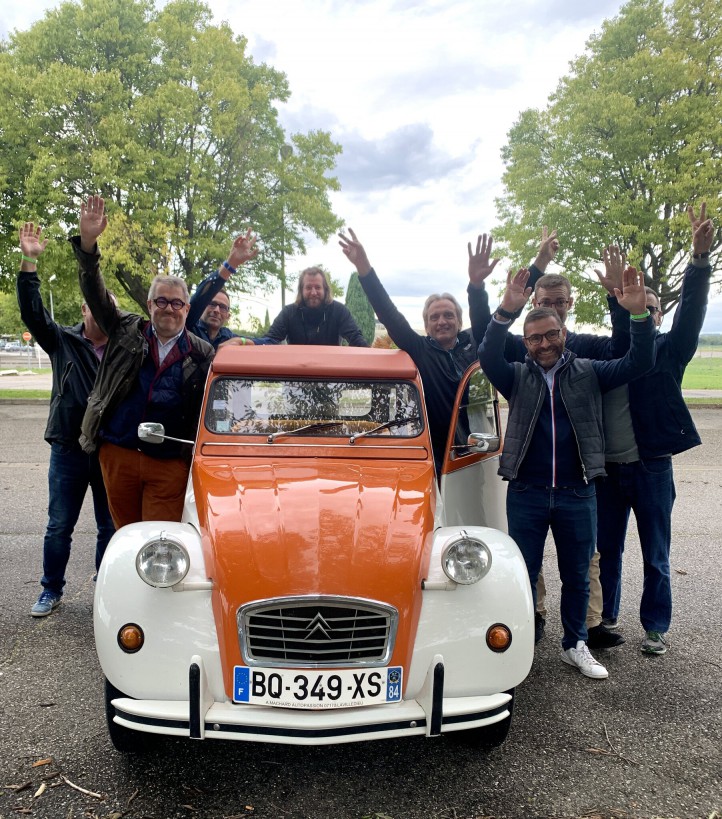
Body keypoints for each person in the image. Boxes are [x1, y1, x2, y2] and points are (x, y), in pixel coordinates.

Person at [478, 266, 656, 679]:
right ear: (526, 342)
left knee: (577, 575)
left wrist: (638, 316)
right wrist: (504, 310)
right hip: (527, 491)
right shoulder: (517, 377)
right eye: (535, 338)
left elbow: (638, 361)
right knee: (524, 571)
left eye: (550, 335)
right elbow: (487, 355)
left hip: (578, 492)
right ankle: (516, 643)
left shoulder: (590, 372)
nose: (543, 344)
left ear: (563, 333)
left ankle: (575, 643)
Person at [597, 203, 715, 656]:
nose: (640, 311)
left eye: (649, 307)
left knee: (656, 555)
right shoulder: (616, 351)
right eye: (632, 306)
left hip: (651, 468)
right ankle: (605, 617)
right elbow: (625, 334)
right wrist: (615, 299)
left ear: (659, 316)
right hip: (610, 469)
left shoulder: (671, 349)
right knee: (607, 550)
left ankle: (654, 626)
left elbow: (692, 313)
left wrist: (699, 262)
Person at [71, 195, 215, 528]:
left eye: (177, 303)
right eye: (162, 301)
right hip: (118, 452)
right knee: (124, 533)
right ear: (150, 304)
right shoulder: (125, 330)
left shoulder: (201, 352)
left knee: (158, 538)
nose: (169, 308)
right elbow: (95, 292)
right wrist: (89, 244)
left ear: (187, 310)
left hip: (168, 462)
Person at [17, 222, 116, 617]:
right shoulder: (61, 340)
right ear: (83, 308)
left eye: (105, 305)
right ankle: (50, 589)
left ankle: (106, 589)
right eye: (93, 305)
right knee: (59, 526)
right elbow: (31, 312)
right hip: (68, 449)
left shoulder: (124, 347)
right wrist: (29, 263)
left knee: (110, 527)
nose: (99, 312)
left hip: (109, 449)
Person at [339, 229, 477, 473]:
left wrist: (539, 264)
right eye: (434, 317)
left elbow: (505, 315)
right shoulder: (419, 349)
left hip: (469, 454)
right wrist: (363, 266)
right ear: (426, 325)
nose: (442, 321)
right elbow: (387, 312)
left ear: (459, 320)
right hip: (428, 457)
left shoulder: (474, 344)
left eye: (448, 315)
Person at [186, 229, 263, 350]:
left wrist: (241, 340)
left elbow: (267, 341)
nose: (217, 310)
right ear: (204, 306)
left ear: (228, 315)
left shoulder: (228, 337)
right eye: (212, 304)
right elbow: (200, 297)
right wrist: (230, 265)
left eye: (222, 307)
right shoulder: (186, 328)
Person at [260, 266, 369, 346]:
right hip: (297, 374)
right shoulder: (289, 312)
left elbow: (355, 338)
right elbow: (270, 339)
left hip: (330, 373)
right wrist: (247, 342)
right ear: (301, 290)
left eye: (317, 287)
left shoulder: (339, 311)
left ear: (325, 290)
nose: (313, 292)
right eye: (308, 288)